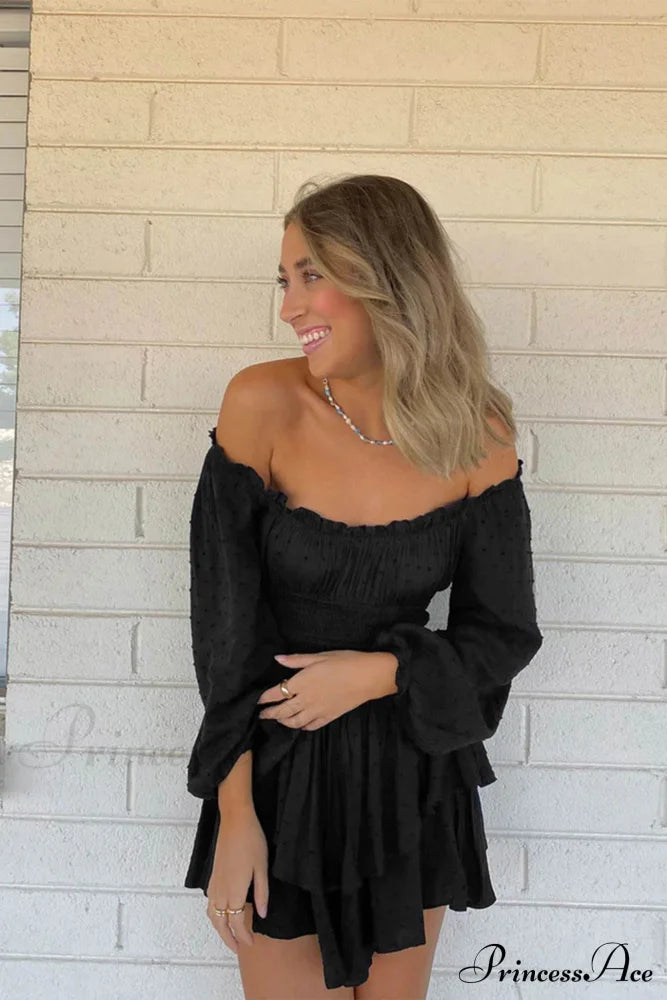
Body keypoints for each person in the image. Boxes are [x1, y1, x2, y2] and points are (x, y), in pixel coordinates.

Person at [183, 174, 543, 999]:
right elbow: (224, 634)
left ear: (387, 277)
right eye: (285, 279)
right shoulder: (260, 405)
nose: (289, 307)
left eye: (311, 275)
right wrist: (235, 815)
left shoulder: (477, 432)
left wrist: (378, 673)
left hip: (412, 777)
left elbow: (503, 632)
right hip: (275, 771)